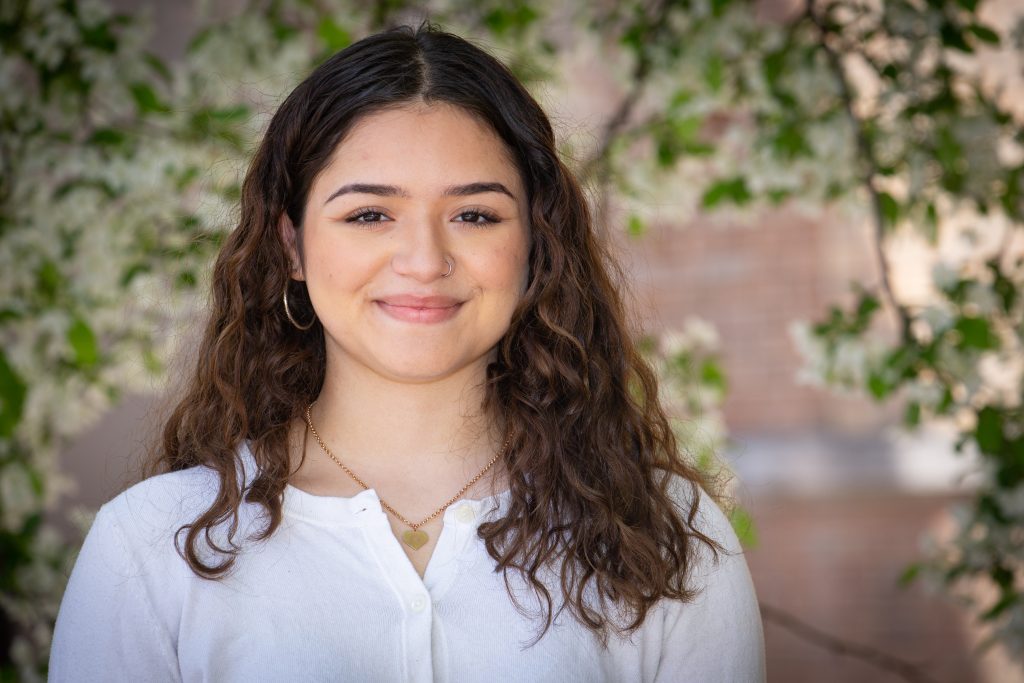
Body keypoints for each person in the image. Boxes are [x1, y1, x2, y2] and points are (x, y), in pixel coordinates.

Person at [49, 23, 765, 682]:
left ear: (535, 246)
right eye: (369, 214)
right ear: (291, 244)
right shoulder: (149, 549)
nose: (424, 260)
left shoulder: (668, 538)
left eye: (474, 214)